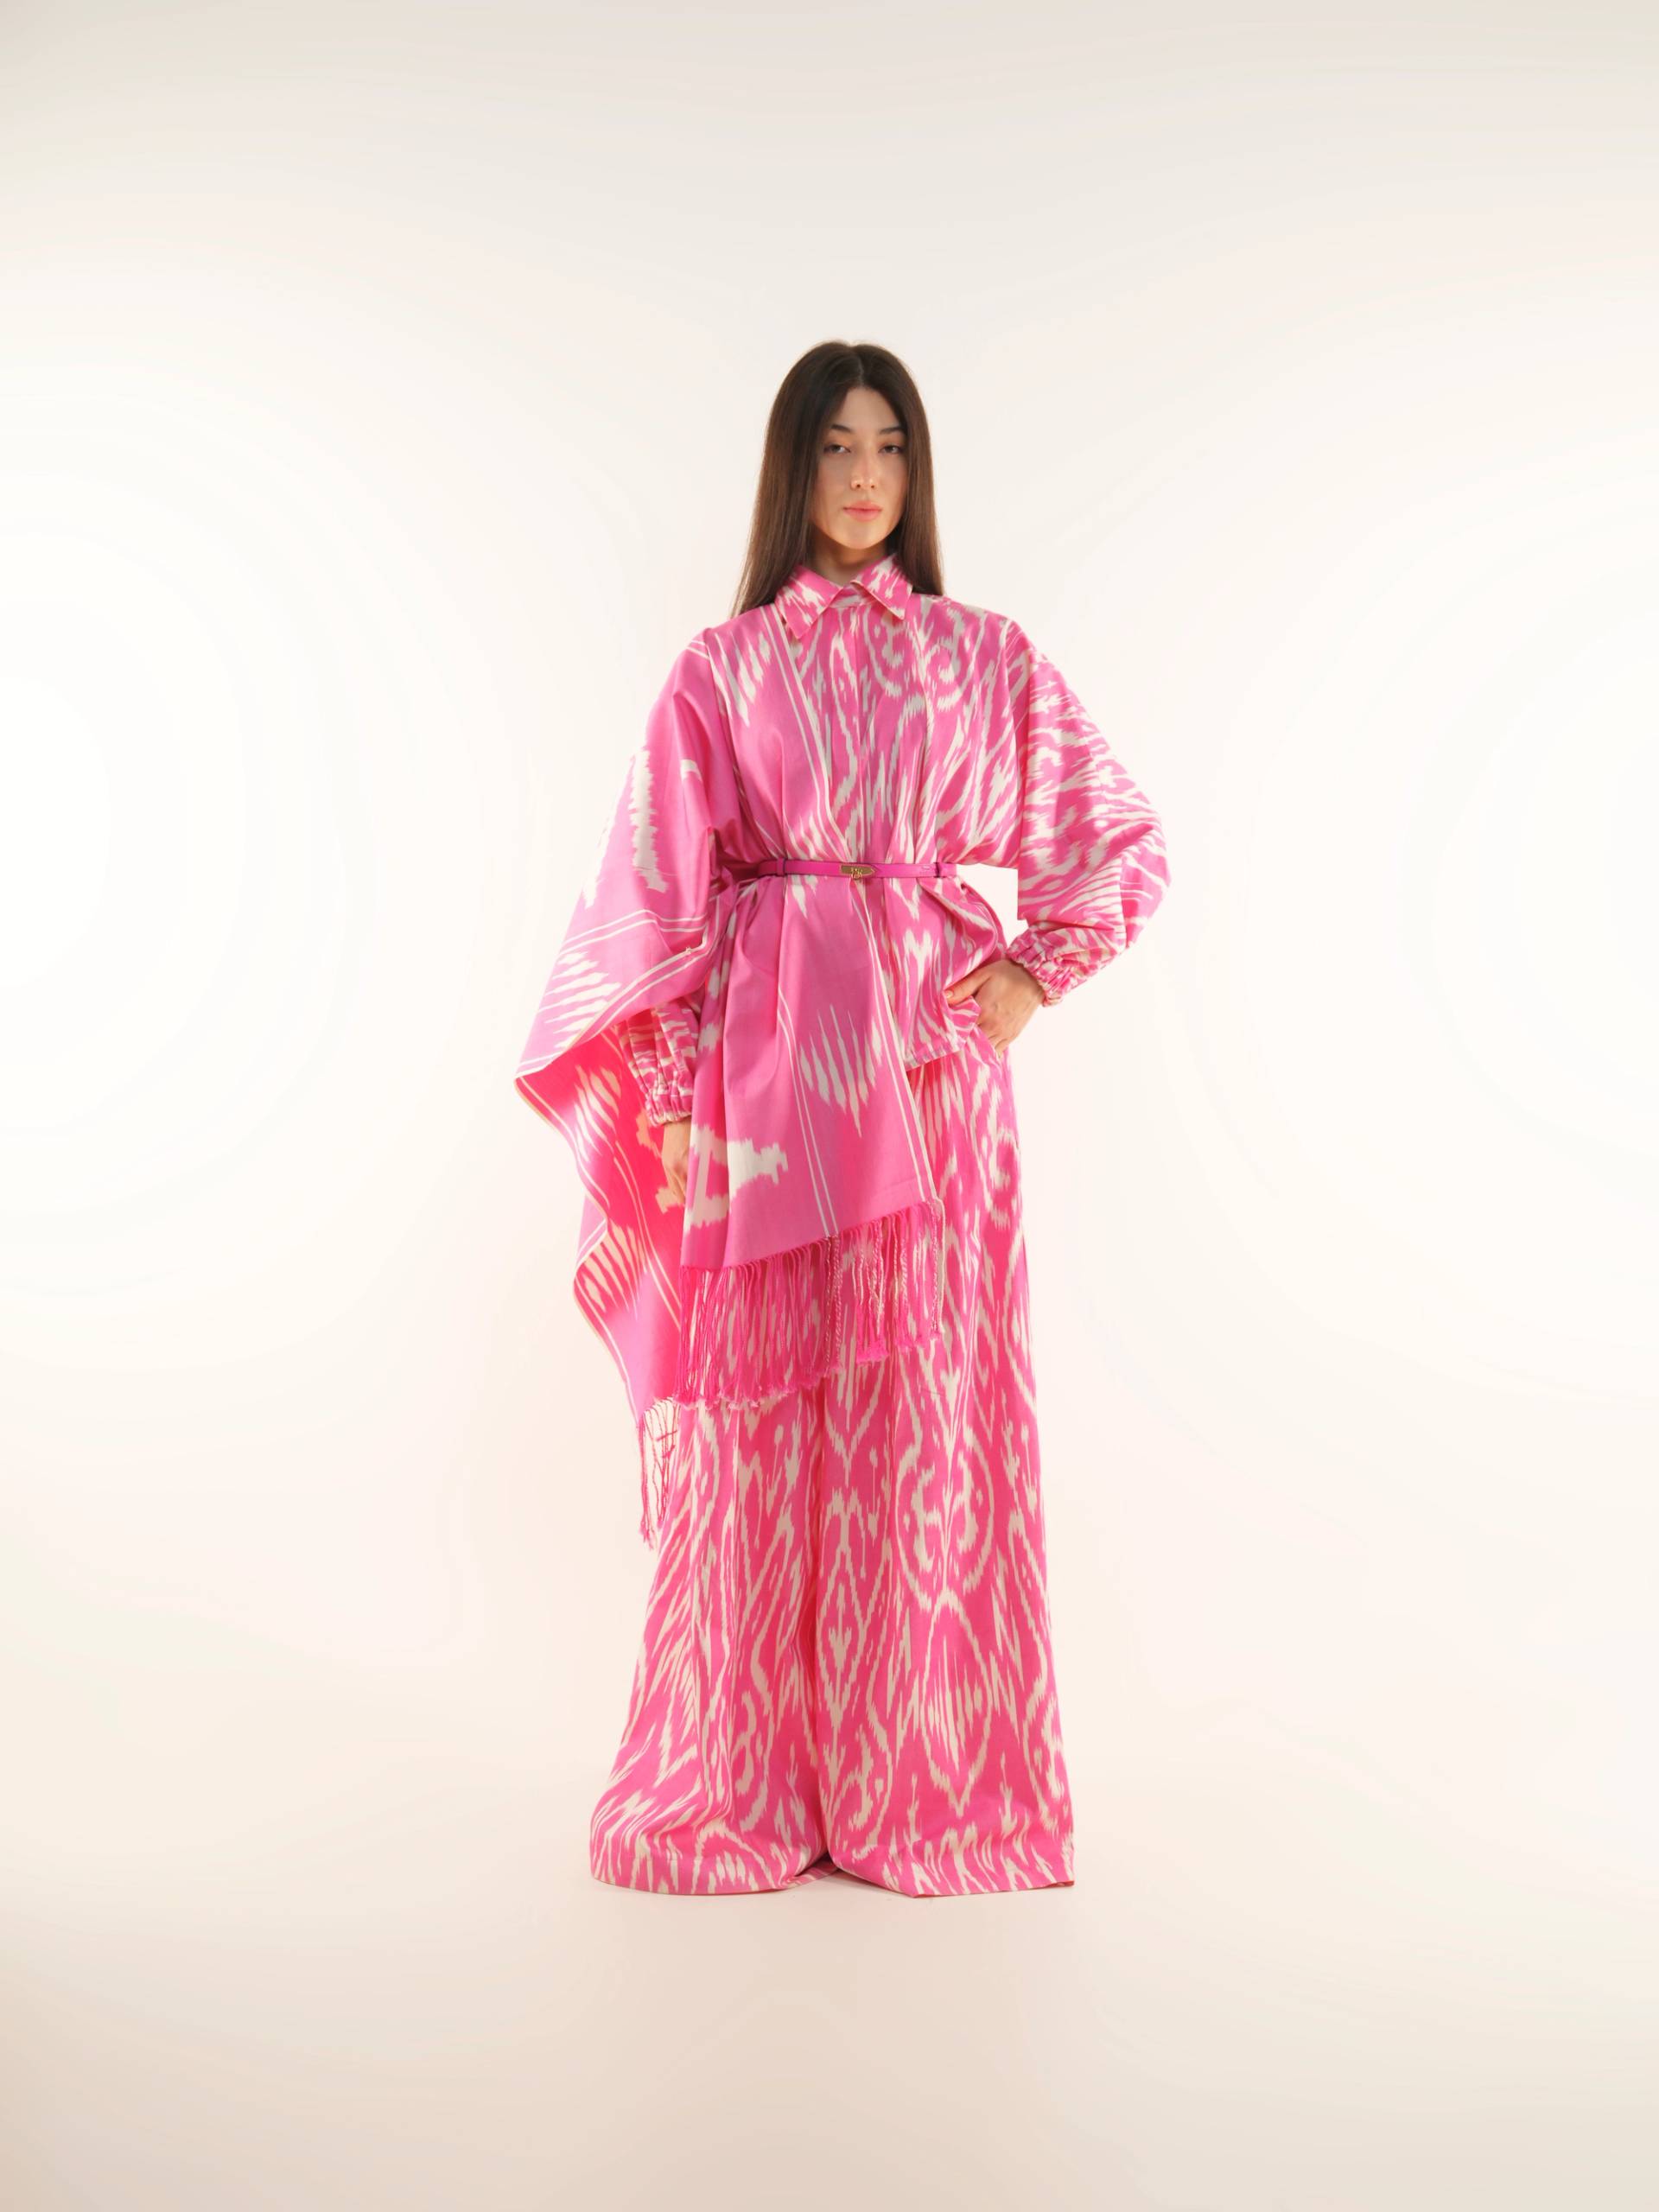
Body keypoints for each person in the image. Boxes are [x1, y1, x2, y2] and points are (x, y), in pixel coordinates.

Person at [514, 340, 1170, 1897]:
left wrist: (1031, 974)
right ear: (791, 469)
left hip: (934, 1094)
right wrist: (671, 1103)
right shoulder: (722, 671)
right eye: (834, 447)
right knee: (756, 1437)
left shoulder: (984, 657)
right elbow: (656, 902)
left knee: (923, 1424)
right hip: (763, 1096)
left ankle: (918, 1785)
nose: (865, 476)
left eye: (889, 447)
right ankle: (739, 1780)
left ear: (916, 470)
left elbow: (1121, 844)